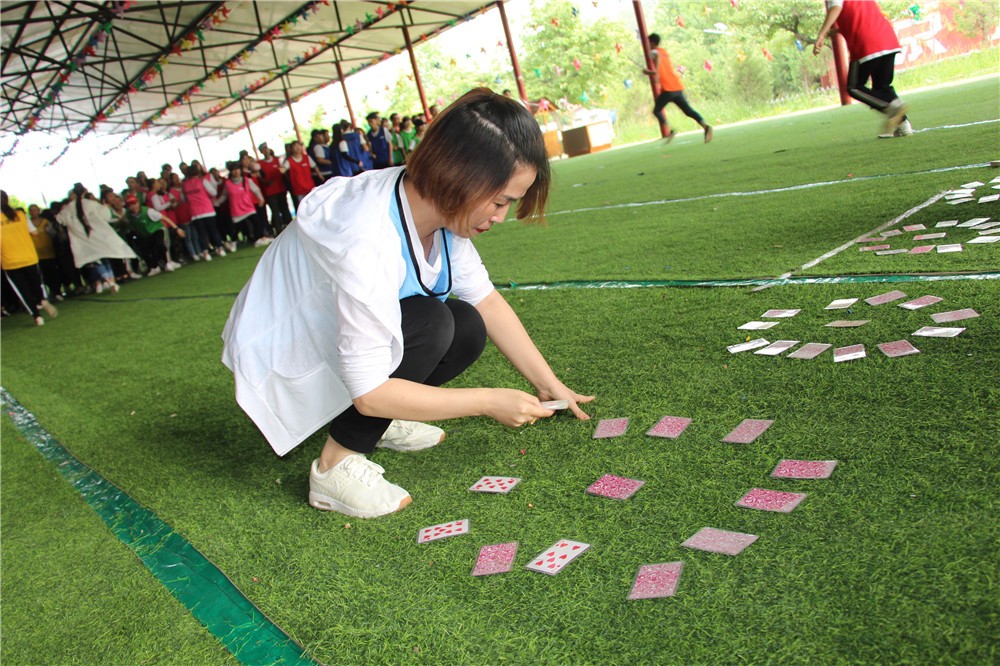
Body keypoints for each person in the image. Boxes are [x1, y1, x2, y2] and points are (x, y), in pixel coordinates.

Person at [222, 88, 594, 519]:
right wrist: (489, 400)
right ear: (460, 176)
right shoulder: (367, 233)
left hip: (344, 341)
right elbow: (369, 392)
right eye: (499, 201)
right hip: (281, 350)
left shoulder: (439, 211)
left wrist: (548, 383)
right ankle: (334, 467)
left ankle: (384, 422)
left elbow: (486, 302)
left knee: (466, 324)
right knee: (432, 323)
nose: (500, 217)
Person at [813, 0, 912, 138]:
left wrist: (821, 34)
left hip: (866, 43)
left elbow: (836, 7)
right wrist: (837, 29)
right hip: (887, 38)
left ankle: (893, 108)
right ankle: (904, 127)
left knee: (854, 87)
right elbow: (859, 13)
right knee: (881, 88)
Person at [56, 183, 137, 293]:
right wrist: (104, 207)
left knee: (97, 261)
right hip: (98, 236)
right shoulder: (91, 204)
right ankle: (111, 281)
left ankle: (110, 281)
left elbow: (60, 219)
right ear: (84, 192)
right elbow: (106, 216)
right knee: (104, 258)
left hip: (85, 239)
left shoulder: (70, 207)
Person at [643, 33, 713, 143]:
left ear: (652, 43)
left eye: (648, 42)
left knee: (656, 111)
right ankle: (705, 126)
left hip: (668, 89)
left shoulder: (653, 52)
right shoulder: (664, 52)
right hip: (677, 86)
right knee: (688, 111)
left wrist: (654, 74)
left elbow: (656, 58)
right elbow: (663, 69)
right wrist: (651, 73)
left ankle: (670, 130)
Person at [1, 192, 58, 326]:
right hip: (29, 256)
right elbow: (34, 232)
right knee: (36, 283)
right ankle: (42, 299)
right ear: (7, 200)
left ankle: (37, 317)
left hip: (10, 261)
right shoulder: (20, 215)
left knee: (23, 291)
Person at [123, 194, 183, 275]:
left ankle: (168, 263)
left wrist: (176, 228)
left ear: (138, 203)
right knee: (145, 250)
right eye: (130, 205)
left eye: (134, 204)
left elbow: (164, 218)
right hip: (146, 234)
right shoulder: (128, 215)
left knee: (160, 244)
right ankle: (154, 267)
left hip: (157, 229)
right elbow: (127, 223)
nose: (133, 207)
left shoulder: (148, 211)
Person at [256, 143, 293, 233]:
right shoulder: (260, 164)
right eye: (263, 149)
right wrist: (267, 182)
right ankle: (279, 230)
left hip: (281, 189)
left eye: (266, 148)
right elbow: (259, 178)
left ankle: (291, 228)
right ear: (261, 152)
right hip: (270, 192)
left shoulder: (277, 160)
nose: (266, 150)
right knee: (275, 212)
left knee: (285, 209)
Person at [282, 141, 319, 211]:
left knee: (314, 206)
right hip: (299, 190)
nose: (297, 148)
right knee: (303, 208)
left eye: (298, 146)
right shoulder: (289, 161)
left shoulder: (306, 157)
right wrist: (281, 170)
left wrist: (320, 175)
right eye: (295, 146)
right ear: (292, 149)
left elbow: (314, 166)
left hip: (310, 187)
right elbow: (284, 169)